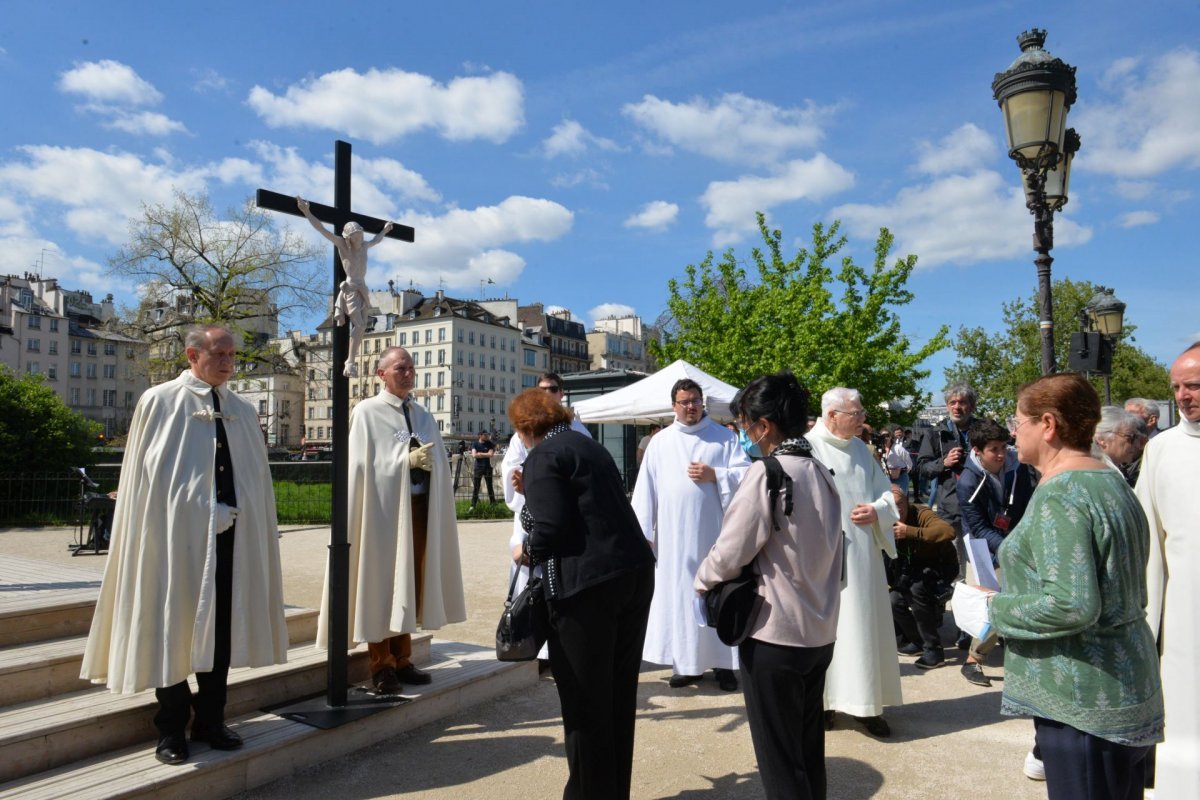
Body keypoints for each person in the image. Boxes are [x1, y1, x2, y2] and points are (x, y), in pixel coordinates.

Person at [80, 325, 289, 765]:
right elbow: (149, 482)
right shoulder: (160, 402)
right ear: (193, 354)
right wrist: (199, 509)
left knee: (221, 631)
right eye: (219, 354)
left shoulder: (242, 410)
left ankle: (212, 720)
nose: (229, 362)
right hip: (173, 541)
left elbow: (254, 479)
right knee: (170, 624)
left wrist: (243, 513)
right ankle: (172, 728)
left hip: (232, 539)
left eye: (233, 355)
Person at [990, 373, 1163, 800]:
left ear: (1047, 424)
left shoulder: (1063, 493)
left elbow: (1070, 604)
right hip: (1121, 683)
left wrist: (993, 609)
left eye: (1018, 421)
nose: (1014, 433)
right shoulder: (1109, 480)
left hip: (1084, 697)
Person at [695, 372, 843, 800]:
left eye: (745, 424)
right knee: (806, 748)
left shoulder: (767, 473)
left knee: (779, 760)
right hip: (820, 632)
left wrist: (701, 580)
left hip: (774, 633)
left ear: (764, 426)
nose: (743, 433)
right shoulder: (822, 470)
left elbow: (730, 549)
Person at [511, 388, 656, 800]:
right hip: (632, 574)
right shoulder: (589, 448)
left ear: (525, 427)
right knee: (617, 694)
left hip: (586, 588)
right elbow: (582, 510)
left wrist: (528, 552)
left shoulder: (542, 455)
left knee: (584, 701)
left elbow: (550, 528)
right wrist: (531, 496)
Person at [317, 346, 465, 693]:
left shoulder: (422, 413)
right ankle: (380, 664)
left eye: (412, 368)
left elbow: (437, 460)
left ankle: (403, 657)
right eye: (401, 368)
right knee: (381, 584)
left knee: (409, 582)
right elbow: (360, 466)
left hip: (418, 509)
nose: (409, 373)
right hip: (382, 515)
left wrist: (429, 468)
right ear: (381, 374)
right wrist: (404, 463)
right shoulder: (368, 412)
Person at [632, 378, 752, 691]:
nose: (691, 406)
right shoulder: (660, 442)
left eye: (695, 400)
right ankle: (685, 664)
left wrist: (716, 475)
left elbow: (747, 476)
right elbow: (645, 489)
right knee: (680, 597)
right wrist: (643, 533)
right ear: (674, 406)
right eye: (685, 401)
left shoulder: (723, 438)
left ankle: (723, 664)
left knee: (717, 593)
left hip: (714, 534)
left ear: (703, 403)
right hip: (674, 540)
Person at [805, 387, 901, 737]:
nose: (862, 419)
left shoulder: (861, 449)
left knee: (862, 627)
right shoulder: (807, 448)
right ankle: (825, 704)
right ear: (832, 415)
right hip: (823, 557)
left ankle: (865, 705)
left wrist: (876, 510)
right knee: (828, 632)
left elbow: (886, 494)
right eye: (856, 414)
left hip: (861, 558)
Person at [1136, 343, 1200, 799]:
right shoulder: (1161, 449)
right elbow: (1148, 546)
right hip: (1185, 618)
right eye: (1176, 386)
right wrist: (1146, 621)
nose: (1182, 396)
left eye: (1193, 385)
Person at [955, 417, 1034, 687]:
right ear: (977, 450)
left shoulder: (1019, 465)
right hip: (983, 548)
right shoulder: (967, 482)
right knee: (992, 606)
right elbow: (977, 527)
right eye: (994, 450)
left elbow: (1027, 502)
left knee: (1019, 602)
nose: (1002, 454)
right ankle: (973, 660)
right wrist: (1008, 548)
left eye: (1004, 446)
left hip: (1017, 539)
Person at [296, 196, 392, 378]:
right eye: (357, 235)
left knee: (363, 326)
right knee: (360, 324)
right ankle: (350, 362)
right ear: (349, 237)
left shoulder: (364, 246)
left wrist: (385, 230)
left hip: (362, 288)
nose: (360, 237)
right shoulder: (342, 244)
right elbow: (322, 229)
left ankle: (350, 361)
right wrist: (307, 212)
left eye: (361, 234)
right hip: (351, 289)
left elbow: (376, 240)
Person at [887, 485, 957, 670]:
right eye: (889, 506)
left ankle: (934, 651)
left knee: (917, 590)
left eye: (899, 505)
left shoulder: (921, 513)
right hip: (913, 566)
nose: (895, 511)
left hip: (941, 566)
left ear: (907, 502)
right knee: (894, 600)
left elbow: (948, 532)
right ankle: (917, 642)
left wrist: (910, 531)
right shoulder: (885, 520)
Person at [1093, 406, 1149, 487]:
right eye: (1130, 437)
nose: (1136, 444)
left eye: (1136, 437)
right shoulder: (1098, 473)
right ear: (1102, 439)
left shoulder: (1109, 469)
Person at [470, 430, 497, 509]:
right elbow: (474, 455)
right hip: (478, 468)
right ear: (480, 435)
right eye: (485, 435)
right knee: (476, 487)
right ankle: (473, 505)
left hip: (487, 467)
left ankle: (493, 503)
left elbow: (491, 454)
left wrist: (480, 454)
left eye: (487, 435)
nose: (487, 436)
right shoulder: (475, 444)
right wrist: (486, 454)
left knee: (490, 486)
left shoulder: (489, 444)